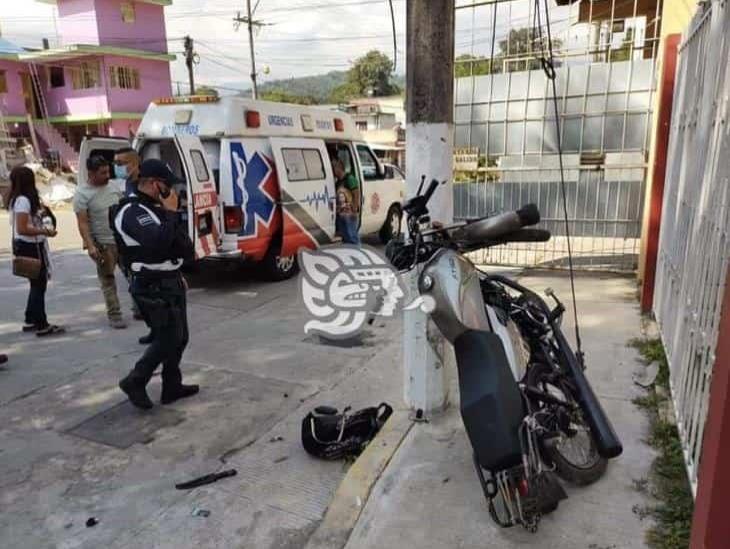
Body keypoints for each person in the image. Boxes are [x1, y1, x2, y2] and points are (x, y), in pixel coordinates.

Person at [112, 159, 198, 409]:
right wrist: (171, 213)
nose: (171, 191)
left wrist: (178, 268)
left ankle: (172, 386)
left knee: (180, 338)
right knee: (168, 339)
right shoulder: (132, 212)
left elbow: (177, 244)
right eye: (166, 185)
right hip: (152, 284)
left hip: (170, 279)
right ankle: (135, 380)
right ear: (152, 183)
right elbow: (158, 243)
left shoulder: (154, 207)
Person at [6, 166, 64, 336]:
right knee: (39, 285)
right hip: (30, 245)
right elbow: (23, 228)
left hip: (27, 245)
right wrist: (45, 231)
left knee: (36, 284)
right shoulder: (23, 200)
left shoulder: (19, 199)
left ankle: (31, 318)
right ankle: (41, 323)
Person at [73, 156, 128, 329]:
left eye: (107, 171)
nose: (107, 175)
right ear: (91, 173)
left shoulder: (113, 186)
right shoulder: (82, 194)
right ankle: (115, 314)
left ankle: (139, 308)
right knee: (108, 280)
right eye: (102, 172)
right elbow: (82, 223)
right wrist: (90, 245)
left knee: (133, 275)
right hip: (103, 245)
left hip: (122, 240)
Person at [113, 147, 151, 337]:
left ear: (134, 163)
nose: (117, 167)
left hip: (146, 245)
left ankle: (158, 333)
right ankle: (153, 329)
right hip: (130, 245)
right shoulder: (127, 184)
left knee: (149, 291)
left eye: (121, 163)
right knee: (138, 288)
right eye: (116, 163)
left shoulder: (146, 184)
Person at [332, 159, 361, 245]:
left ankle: (357, 253)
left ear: (339, 168)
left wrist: (354, 208)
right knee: (345, 237)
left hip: (350, 213)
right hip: (342, 213)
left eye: (334, 168)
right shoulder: (338, 182)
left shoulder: (349, 179)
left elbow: (356, 193)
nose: (333, 170)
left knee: (352, 236)